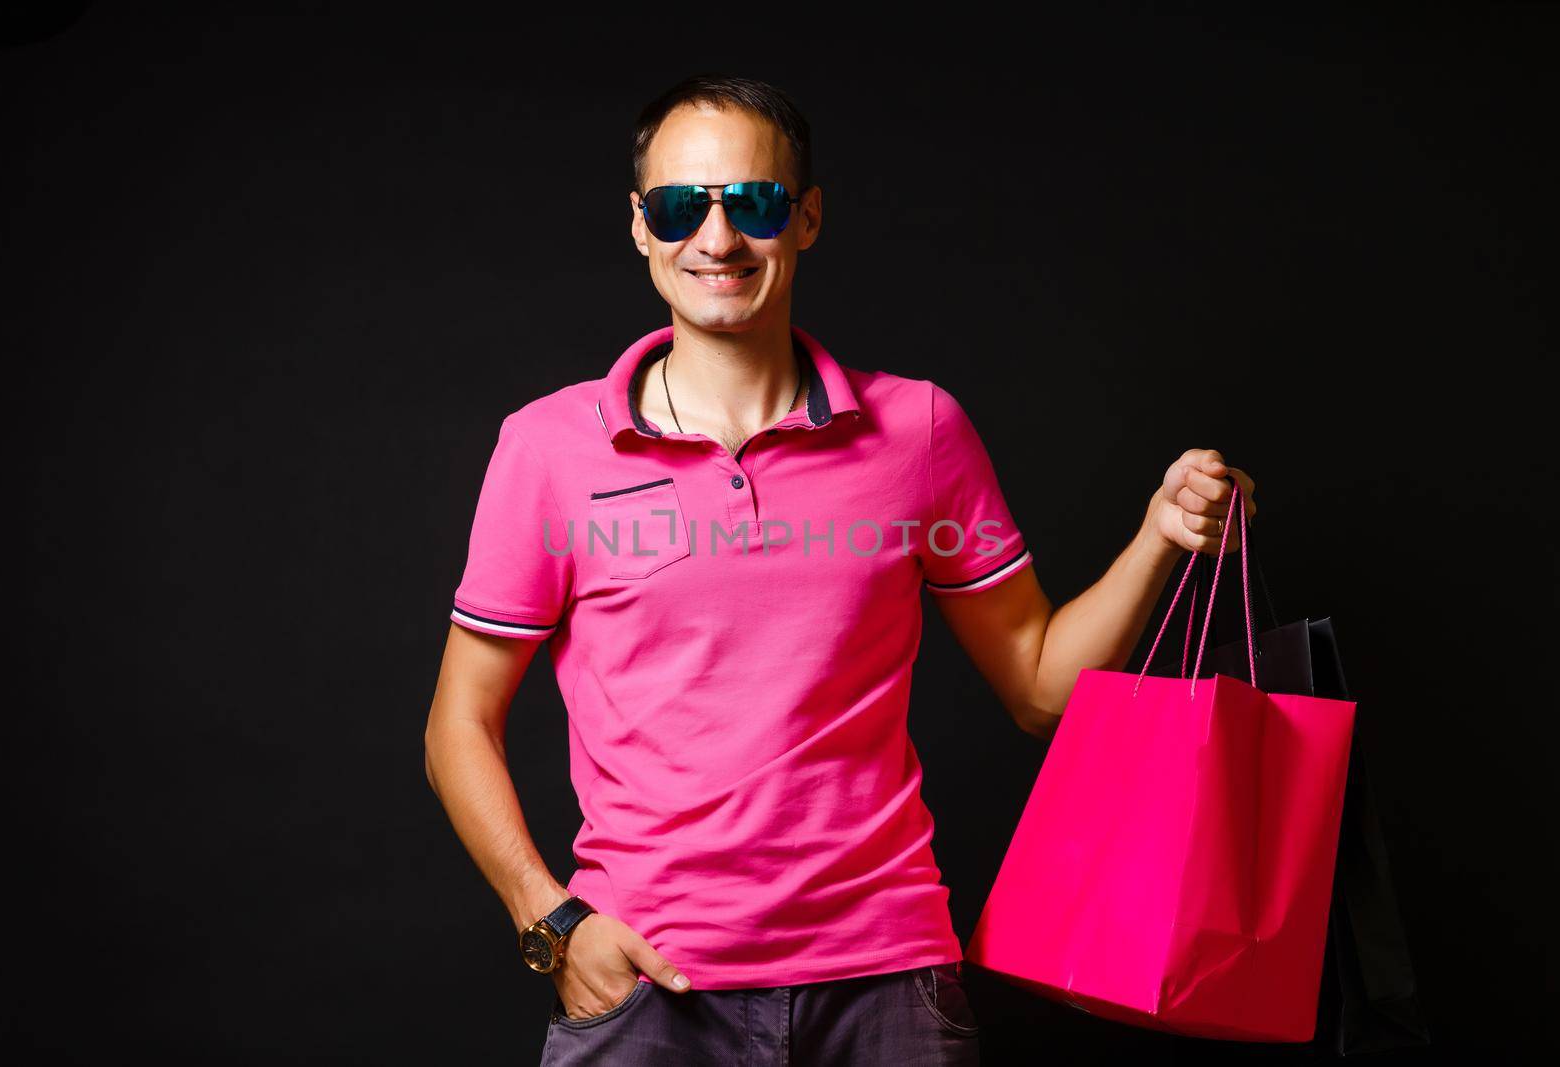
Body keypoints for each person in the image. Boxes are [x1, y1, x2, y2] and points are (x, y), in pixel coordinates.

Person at [422, 73, 1258, 1066]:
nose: (719, 239)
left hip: (886, 984)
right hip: (646, 986)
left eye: (757, 203)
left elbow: (1039, 688)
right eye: (682, 206)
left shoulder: (919, 432)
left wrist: (1158, 535)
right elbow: (457, 722)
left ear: (807, 218)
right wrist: (551, 923)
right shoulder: (549, 447)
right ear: (641, 226)